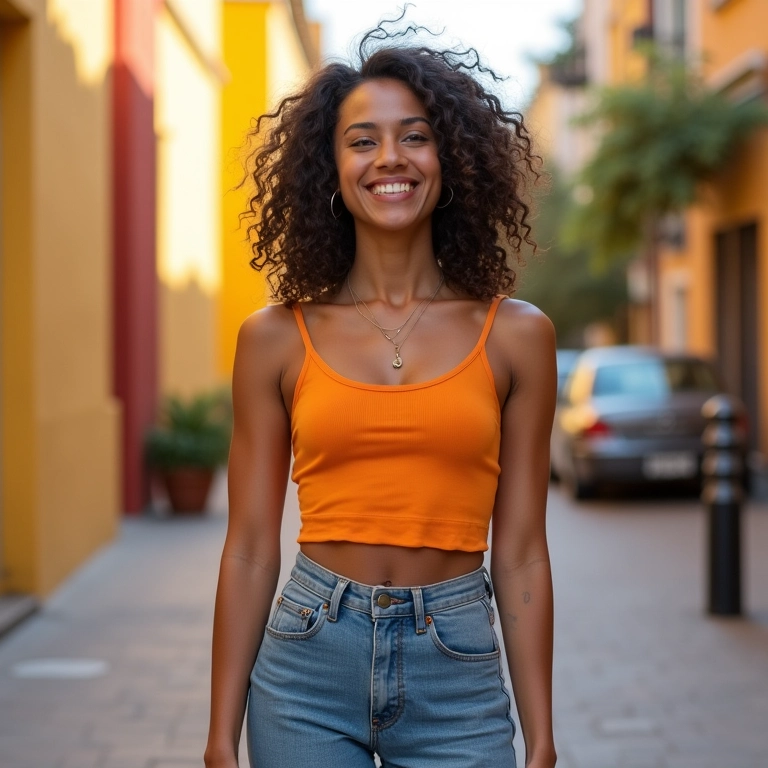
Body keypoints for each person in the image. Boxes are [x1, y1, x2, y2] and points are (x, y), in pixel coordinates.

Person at [205, 19, 557, 768]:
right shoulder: (273, 337)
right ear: (329, 168)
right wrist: (218, 735)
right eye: (362, 140)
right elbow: (247, 548)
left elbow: (523, 552)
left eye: (414, 136)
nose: (389, 158)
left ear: (451, 158)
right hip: (306, 662)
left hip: (456, 668)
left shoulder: (517, 336)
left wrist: (542, 734)